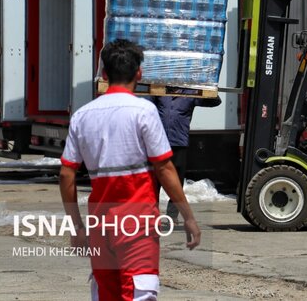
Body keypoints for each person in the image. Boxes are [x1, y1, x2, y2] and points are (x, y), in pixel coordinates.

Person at [59, 39, 201, 301]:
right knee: (139, 293)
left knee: (105, 294)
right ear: (139, 73)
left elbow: (66, 174)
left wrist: (76, 228)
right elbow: (165, 168)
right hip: (136, 224)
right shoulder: (144, 111)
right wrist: (188, 217)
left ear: (103, 74)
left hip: (100, 224)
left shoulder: (82, 116)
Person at [151, 93, 221, 226]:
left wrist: (209, 89)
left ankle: (172, 216)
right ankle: (152, 214)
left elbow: (215, 102)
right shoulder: (159, 93)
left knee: (176, 181)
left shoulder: (190, 94)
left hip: (179, 142)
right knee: (155, 180)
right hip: (159, 142)